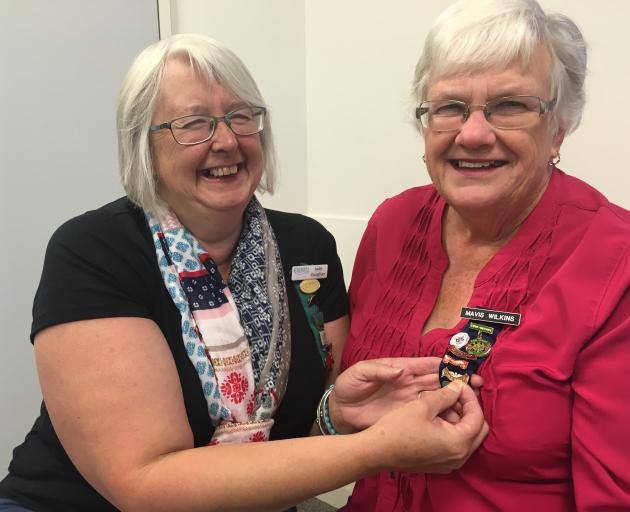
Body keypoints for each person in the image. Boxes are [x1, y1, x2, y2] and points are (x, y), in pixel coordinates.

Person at [0, 34, 488, 512]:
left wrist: (336, 412)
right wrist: (378, 448)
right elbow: (145, 487)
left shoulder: (305, 246)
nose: (227, 140)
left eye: (241, 116)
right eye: (193, 123)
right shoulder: (95, 250)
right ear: (143, 145)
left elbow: (302, 439)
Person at [340, 0, 630, 510]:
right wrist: (332, 414)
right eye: (450, 107)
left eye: (510, 105)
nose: (473, 134)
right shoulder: (392, 225)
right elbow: (345, 413)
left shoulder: (615, 261)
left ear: (558, 127)